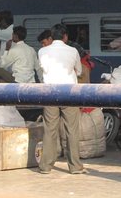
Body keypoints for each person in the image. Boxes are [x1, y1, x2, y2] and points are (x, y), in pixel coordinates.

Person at [37, 24, 85, 175]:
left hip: (49, 93)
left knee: (50, 130)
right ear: (65, 37)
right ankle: (75, 166)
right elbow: (80, 71)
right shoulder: (73, 51)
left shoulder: (42, 51)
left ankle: (46, 166)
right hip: (69, 93)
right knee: (72, 130)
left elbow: (43, 69)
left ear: (51, 37)